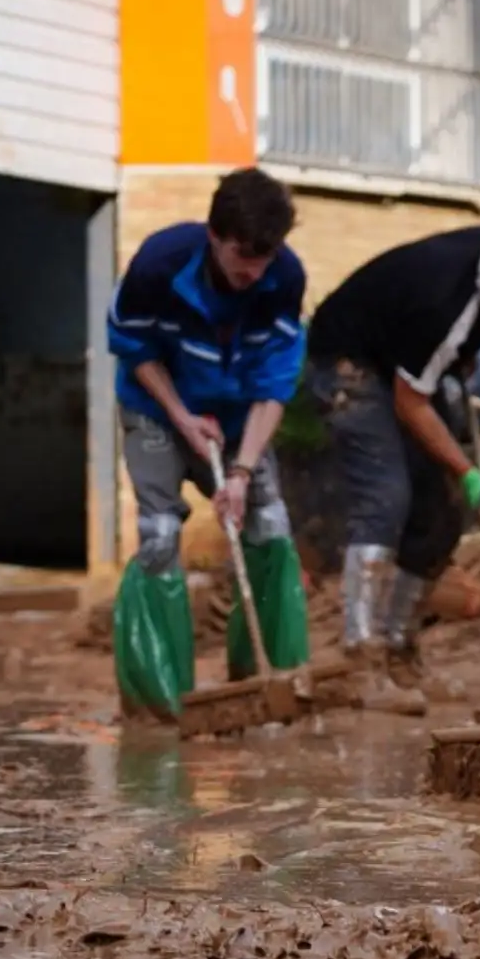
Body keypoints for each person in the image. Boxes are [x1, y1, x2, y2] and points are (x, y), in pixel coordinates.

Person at [308, 217, 480, 714]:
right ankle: (362, 658)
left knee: (442, 510)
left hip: (400, 362)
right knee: (387, 496)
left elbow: (442, 359)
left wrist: (456, 362)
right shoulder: (444, 298)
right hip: (348, 361)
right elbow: (410, 402)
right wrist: (467, 471)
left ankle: (401, 650)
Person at [108, 167, 311, 719]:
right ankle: (162, 702)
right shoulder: (160, 262)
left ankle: (270, 677)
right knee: (159, 532)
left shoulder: (284, 278)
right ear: (215, 236)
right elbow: (132, 347)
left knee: (269, 524)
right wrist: (182, 416)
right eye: (243, 255)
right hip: (157, 405)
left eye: (265, 258)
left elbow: (275, 386)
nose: (254, 271)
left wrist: (242, 473)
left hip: (239, 412)